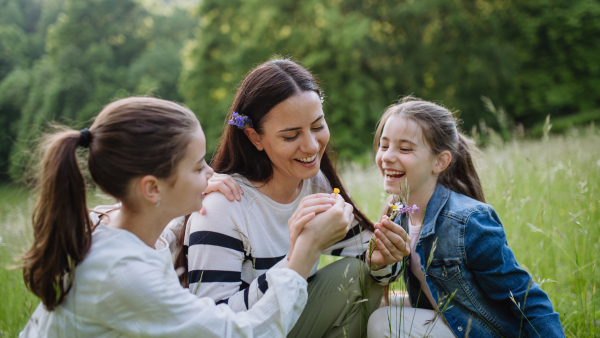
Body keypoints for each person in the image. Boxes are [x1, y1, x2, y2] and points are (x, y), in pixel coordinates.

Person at [18, 97, 354, 338]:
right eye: (197, 167)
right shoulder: (123, 273)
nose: (212, 172)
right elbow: (240, 333)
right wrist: (304, 252)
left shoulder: (118, 231)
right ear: (152, 189)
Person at [178, 59, 409, 338]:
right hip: (246, 331)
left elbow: (374, 267)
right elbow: (209, 325)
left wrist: (383, 260)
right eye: (290, 136)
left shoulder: (315, 184)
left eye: (317, 125)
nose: (311, 146)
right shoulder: (220, 207)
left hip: (290, 323)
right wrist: (298, 258)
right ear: (255, 138)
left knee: (359, 274)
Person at [366, 97, 566, 337]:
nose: (387, 156)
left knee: (383, 321)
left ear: (440, 162)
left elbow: (524, 297)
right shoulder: (400, 214)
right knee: (367, 305)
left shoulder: (466, 221)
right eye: (384, 145)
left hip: (480, 330)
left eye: (405, 148)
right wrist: (377, 263)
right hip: (447, 316)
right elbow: (396, 279)